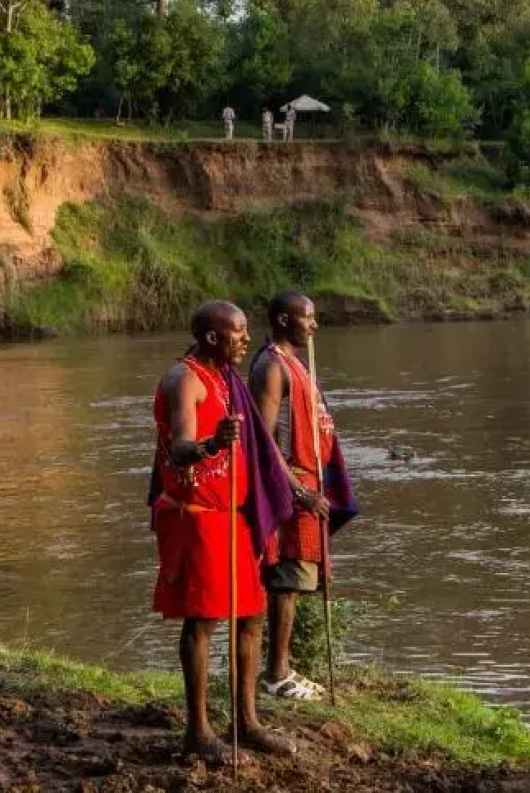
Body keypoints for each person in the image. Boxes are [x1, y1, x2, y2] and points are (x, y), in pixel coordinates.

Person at [149, 300, 298, 760]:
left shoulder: (226, 378)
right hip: (197, 517)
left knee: (251, 614)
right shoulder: (185, 379)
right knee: (203, 620)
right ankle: (198, 731)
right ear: (213, 337)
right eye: (238, 332)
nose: (246, 339)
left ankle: (247, 721)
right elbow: (179, 446)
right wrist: (213, 444)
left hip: (232, 516)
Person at [249, 291, 359, 701]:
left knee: (297, 580)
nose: (314, 325)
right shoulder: (271, 367)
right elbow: (262, 437)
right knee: (286, 581)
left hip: (309, 483)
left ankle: (284, 667)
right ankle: (275, 673)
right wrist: (298, 491)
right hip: (292, 488)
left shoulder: (295, 363)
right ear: (282, 320)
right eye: (307, 318)